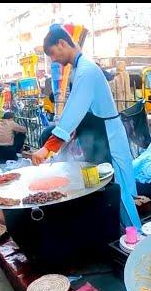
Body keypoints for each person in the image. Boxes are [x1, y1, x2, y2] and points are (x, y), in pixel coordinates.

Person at [31, 24, 142, 230]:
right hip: (96, 137)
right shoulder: (77, 71)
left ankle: (135, 239)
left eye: (53, 54)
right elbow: (81, 111)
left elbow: (74, 109)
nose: (53, 60)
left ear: (62, 43)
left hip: (108, 137)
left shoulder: (86, 71)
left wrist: (49, 146)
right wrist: (73, 133)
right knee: (103, 188)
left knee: (121, 192)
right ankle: (115, 234)